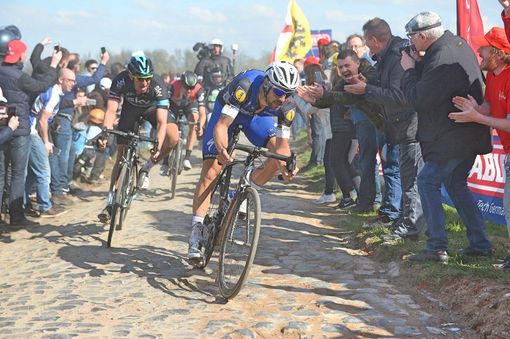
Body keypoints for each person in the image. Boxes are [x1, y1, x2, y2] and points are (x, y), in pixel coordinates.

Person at [187, 61, 300, 266]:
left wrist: (287, 166)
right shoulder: (245, 86)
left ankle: (238, 196)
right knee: (212, 170)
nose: (282, 99)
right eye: (278, 92)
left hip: (258, 119)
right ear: (266, 84)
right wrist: (221, 151)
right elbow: (222, 126)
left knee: (276, 161)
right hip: (229, 113)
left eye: (288, 94)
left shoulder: (287, 107)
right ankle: (196, 231)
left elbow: (283, 147)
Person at [401, 11, 492, 263]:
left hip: (454, 136)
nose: (410, 43)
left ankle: (437, 247)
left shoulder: (441, 57)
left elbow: (420, 98)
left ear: (422, 36)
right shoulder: (454, 44)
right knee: (455, 184)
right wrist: (420, 63)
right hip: (464, 133)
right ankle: (480, 243)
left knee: (427, 181)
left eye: (411, 37)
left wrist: (409, 70)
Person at [345, 18, 423, 238]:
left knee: (408, 179)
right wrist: (368, 84)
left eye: (367, 44)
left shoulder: (397, 56)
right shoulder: (387, 57)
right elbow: (387, 88)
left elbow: (399, 96)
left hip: (408, 126)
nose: (368, 49)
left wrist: (366, 89)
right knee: (397, 173)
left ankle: (407, 225)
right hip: (395, 126)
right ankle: (399, 218)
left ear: (374, 40)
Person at [449, 26, 510, 268]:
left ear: (496, 52)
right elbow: (491, 105)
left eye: (483, 46)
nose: (478, 50)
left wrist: (478, 118)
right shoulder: (493, 76)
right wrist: (477, 108)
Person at [97, 55, 174, 222]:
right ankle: (110, 202)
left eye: (147, 79)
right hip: (130, 110)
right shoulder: (120, 81)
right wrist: (105, 135)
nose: (145, 83)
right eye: (140, 79)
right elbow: (111, 112)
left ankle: (146, 168)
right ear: (131, 76)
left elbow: (161, 122)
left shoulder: (158, 85)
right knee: (121, 154)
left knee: (173, 137)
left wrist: (158, 146)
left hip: (152, 110)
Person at [0, 39, 62, 226]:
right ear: (20, 56)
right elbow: (41, 86)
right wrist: (53, 65)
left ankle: (2, 214)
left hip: (2, 125)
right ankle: (16, 217)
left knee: (2, 173)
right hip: (20, 127)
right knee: (18, 173)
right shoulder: (18, 76)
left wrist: (41, 45)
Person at [167, 71, 206, 171]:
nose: (189, 91)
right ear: (181, 83)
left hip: (189, 105)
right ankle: (165, 157)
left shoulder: (199, 89)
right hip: (174, 105)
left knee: (195, 119)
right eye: (186, 87)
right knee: (167, 123)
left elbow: (202, 112)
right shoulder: (173, 85)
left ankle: (187, 158)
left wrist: (200, 125)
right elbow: (165, 104)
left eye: (191, 88)